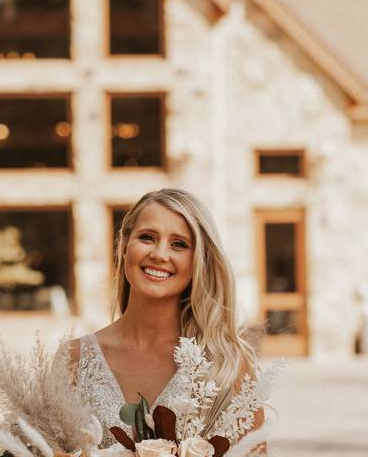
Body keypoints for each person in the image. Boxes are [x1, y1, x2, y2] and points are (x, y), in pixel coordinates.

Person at [68, 188, 265, 451]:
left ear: (199, 261)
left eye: (179, 244)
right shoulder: (74, 358)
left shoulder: (228, 365)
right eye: (147, 237)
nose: (160, 254)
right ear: (124, 247)